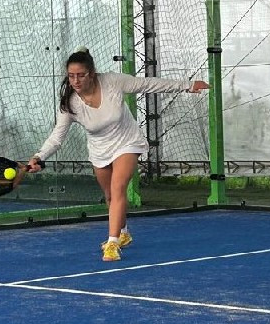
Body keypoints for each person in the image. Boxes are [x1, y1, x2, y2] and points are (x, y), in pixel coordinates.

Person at [28, 48, 209, 262]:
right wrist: (39, 157)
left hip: (127, 142)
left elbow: (147, 84)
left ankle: (112, 243)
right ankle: (123, 233)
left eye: (81, 75)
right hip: (99, 150)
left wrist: (187, 85)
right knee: (110, 196)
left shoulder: (113, 81)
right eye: (71, 76)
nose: (75, 81)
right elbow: (57, 137)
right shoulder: (69, 103)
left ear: (91, 73)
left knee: (118, 187)